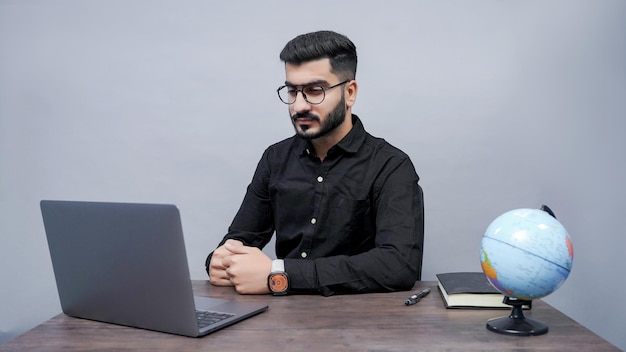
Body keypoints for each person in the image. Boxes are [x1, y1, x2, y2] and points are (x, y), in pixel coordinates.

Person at [206, 30, 424, 296]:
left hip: (365, 325)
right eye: (292, 91)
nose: (299, 106)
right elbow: (240, 239)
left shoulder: (391, 166)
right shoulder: (275, 159)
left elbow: (398, 266)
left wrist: (280, 274)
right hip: (282, 324)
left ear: (350, 93)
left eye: (314, 91)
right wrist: (220, 260)